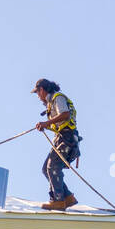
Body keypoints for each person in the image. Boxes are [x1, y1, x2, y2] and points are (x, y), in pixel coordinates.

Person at [32, 79, 80, 210]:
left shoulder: (57, 98)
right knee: (45, 169)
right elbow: (60, 122)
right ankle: (68, 197)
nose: (38, 96)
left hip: (67, 138)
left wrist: (46, 123)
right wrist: (46, 126)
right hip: (63, 138)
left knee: (52, 166)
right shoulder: (51, 102)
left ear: (41, 90)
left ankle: (58, 200)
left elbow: (65, 114)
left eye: (37, 93)